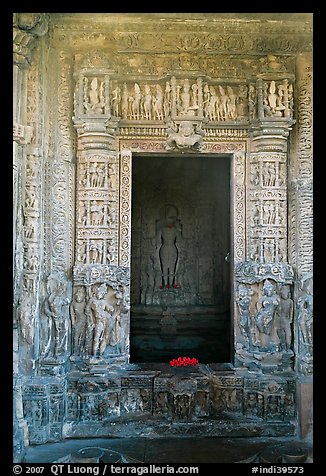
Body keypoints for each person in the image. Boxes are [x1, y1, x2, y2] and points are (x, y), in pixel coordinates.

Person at [155, 205, 182, 288]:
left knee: (172, 267)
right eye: (169, 217)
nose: (170, 220)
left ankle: (171, 284)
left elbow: (180, 240)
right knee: (164, 266)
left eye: (172, 217)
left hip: (173, 248)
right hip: (165, 247)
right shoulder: (161, 229)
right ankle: (165, 283)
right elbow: (157, 240)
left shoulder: (175, 230)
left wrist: (179, 229)